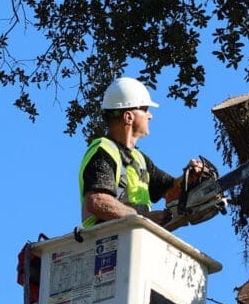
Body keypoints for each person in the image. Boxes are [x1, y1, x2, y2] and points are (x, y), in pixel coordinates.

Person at [78, 77, 205, 228]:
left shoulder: (139, 159)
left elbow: (170, 189)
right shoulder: (103, 151)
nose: (150, 116)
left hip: (133, 238)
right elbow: (97, 201)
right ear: (128, 117)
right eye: (145, 110)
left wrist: (189, 178)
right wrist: (144, 218)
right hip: (105, 240)